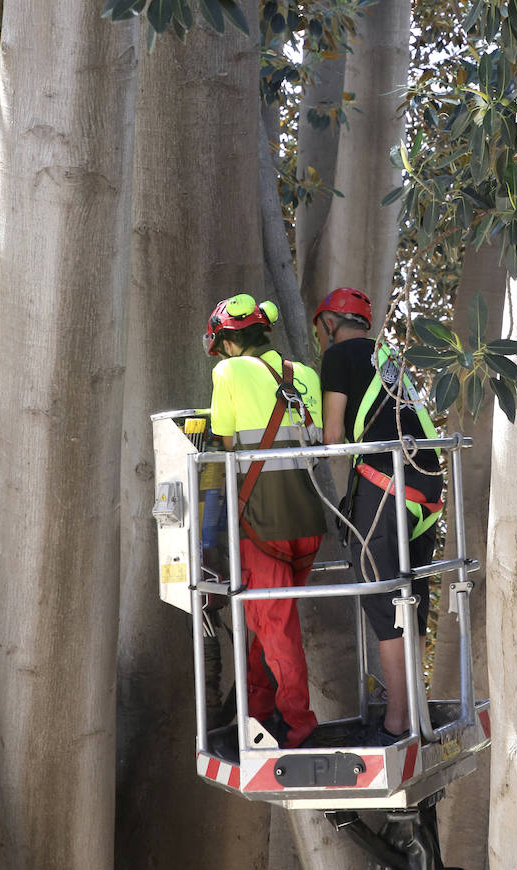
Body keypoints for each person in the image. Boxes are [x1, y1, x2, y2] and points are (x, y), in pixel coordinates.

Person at [314, 287, 443, 742]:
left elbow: (333, 438)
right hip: (424, 482)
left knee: (382, 596)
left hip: (383, 482)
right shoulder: (389, 359)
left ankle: (397, 721)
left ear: (330, 323)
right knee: (412, 596)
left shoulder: (337, 357)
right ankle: (415, 710)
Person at [205, 292, 324, 748]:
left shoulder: (228, 372)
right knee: (264, 626)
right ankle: (255, 716)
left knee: (275, 630)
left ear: (229, 343)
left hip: (262, 525)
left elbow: (225, 441)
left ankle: (300, 726)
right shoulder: (306, 374)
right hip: (308, 524)